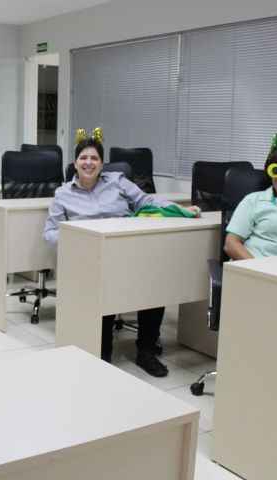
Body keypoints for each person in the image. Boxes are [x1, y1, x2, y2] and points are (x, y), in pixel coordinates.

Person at [43, 128, 201, 377]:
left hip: (128, 253)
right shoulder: (62, 194)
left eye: (94, 158)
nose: (88, 162)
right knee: (103, 291)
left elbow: (146, 202)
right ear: (75, 164)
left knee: (153, 286)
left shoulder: (117, 181)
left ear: (101, 163)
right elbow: (50, 233)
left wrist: (179, 209)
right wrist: (78, 241)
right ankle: (101, 349)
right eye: (83, 158)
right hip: (91, 260)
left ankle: (146, 351)